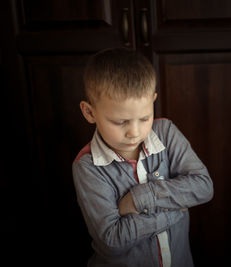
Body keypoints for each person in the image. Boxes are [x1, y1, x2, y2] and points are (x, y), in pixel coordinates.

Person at [72, 47, 213, 267]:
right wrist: (173, 210)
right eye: (120, 122)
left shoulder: (166, 133)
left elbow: (203, 186)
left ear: (153, 100)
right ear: (90, 112)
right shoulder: (87, 166)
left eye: (145, 118)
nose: (134, 132)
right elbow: (111, 240)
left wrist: (141, 198)